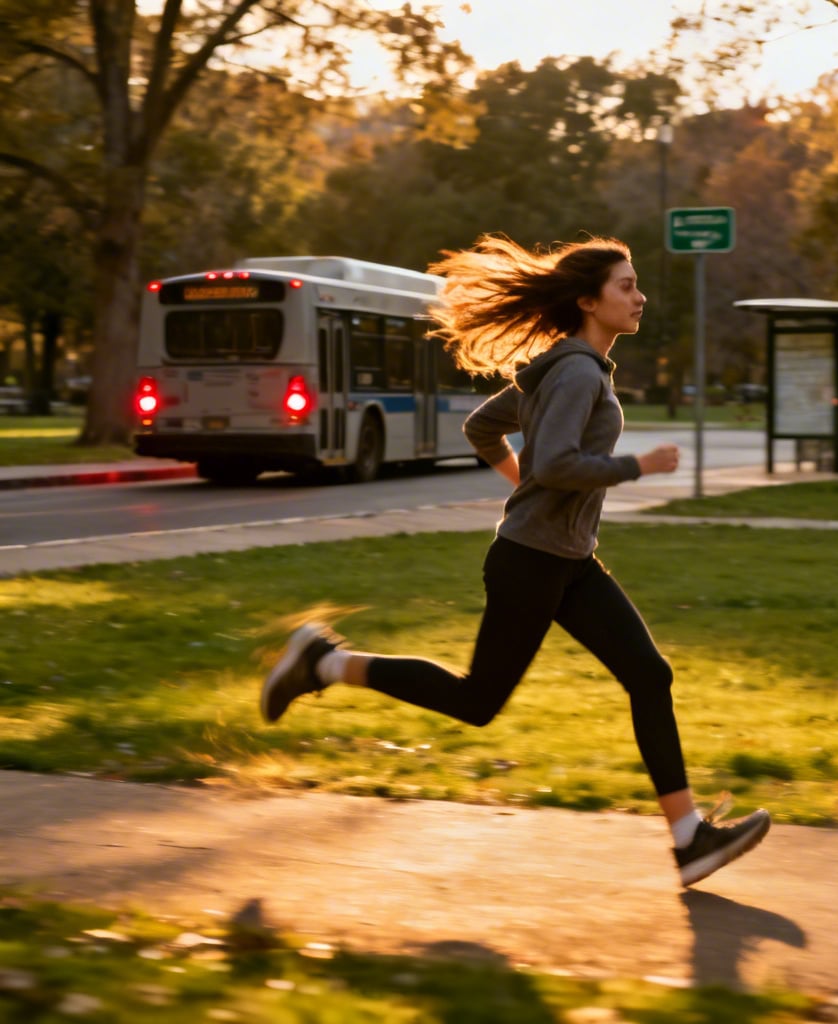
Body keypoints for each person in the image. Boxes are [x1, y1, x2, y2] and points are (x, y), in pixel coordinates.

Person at [260, 234, 770, 888]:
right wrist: (633, 466)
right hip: (532, 562)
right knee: (477, 700)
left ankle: (688, 838)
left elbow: (484, 429)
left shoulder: (559, 367)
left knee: (649, 674)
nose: (640, 297)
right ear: (589, 301)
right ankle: (323, 662)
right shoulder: (576, 372)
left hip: (567, 562)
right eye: (626, 286)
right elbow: (554, 464)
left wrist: (528, 491)